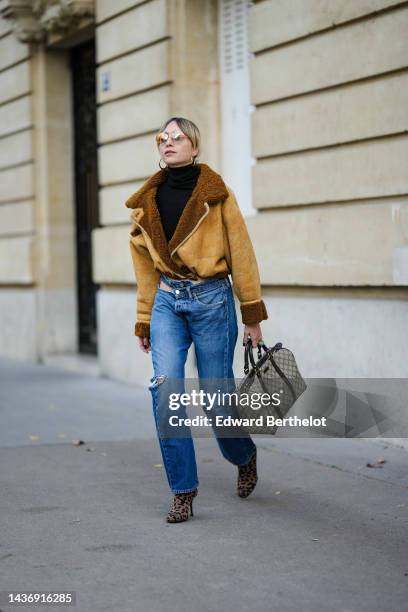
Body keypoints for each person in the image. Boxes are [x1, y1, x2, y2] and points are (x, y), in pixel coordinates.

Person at [125, 116, 268, 523]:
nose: (168, 142)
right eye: (163, 138)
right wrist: (144, 320)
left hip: (212, 302)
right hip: (168, 302)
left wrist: (252, 313)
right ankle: (183, 490)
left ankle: (244, 454)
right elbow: (144, 270)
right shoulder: (146, 203)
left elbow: (241, 252)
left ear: (194, 145)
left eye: (177, 137)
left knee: (215, 401)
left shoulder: (216, 193)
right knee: (164, 391)